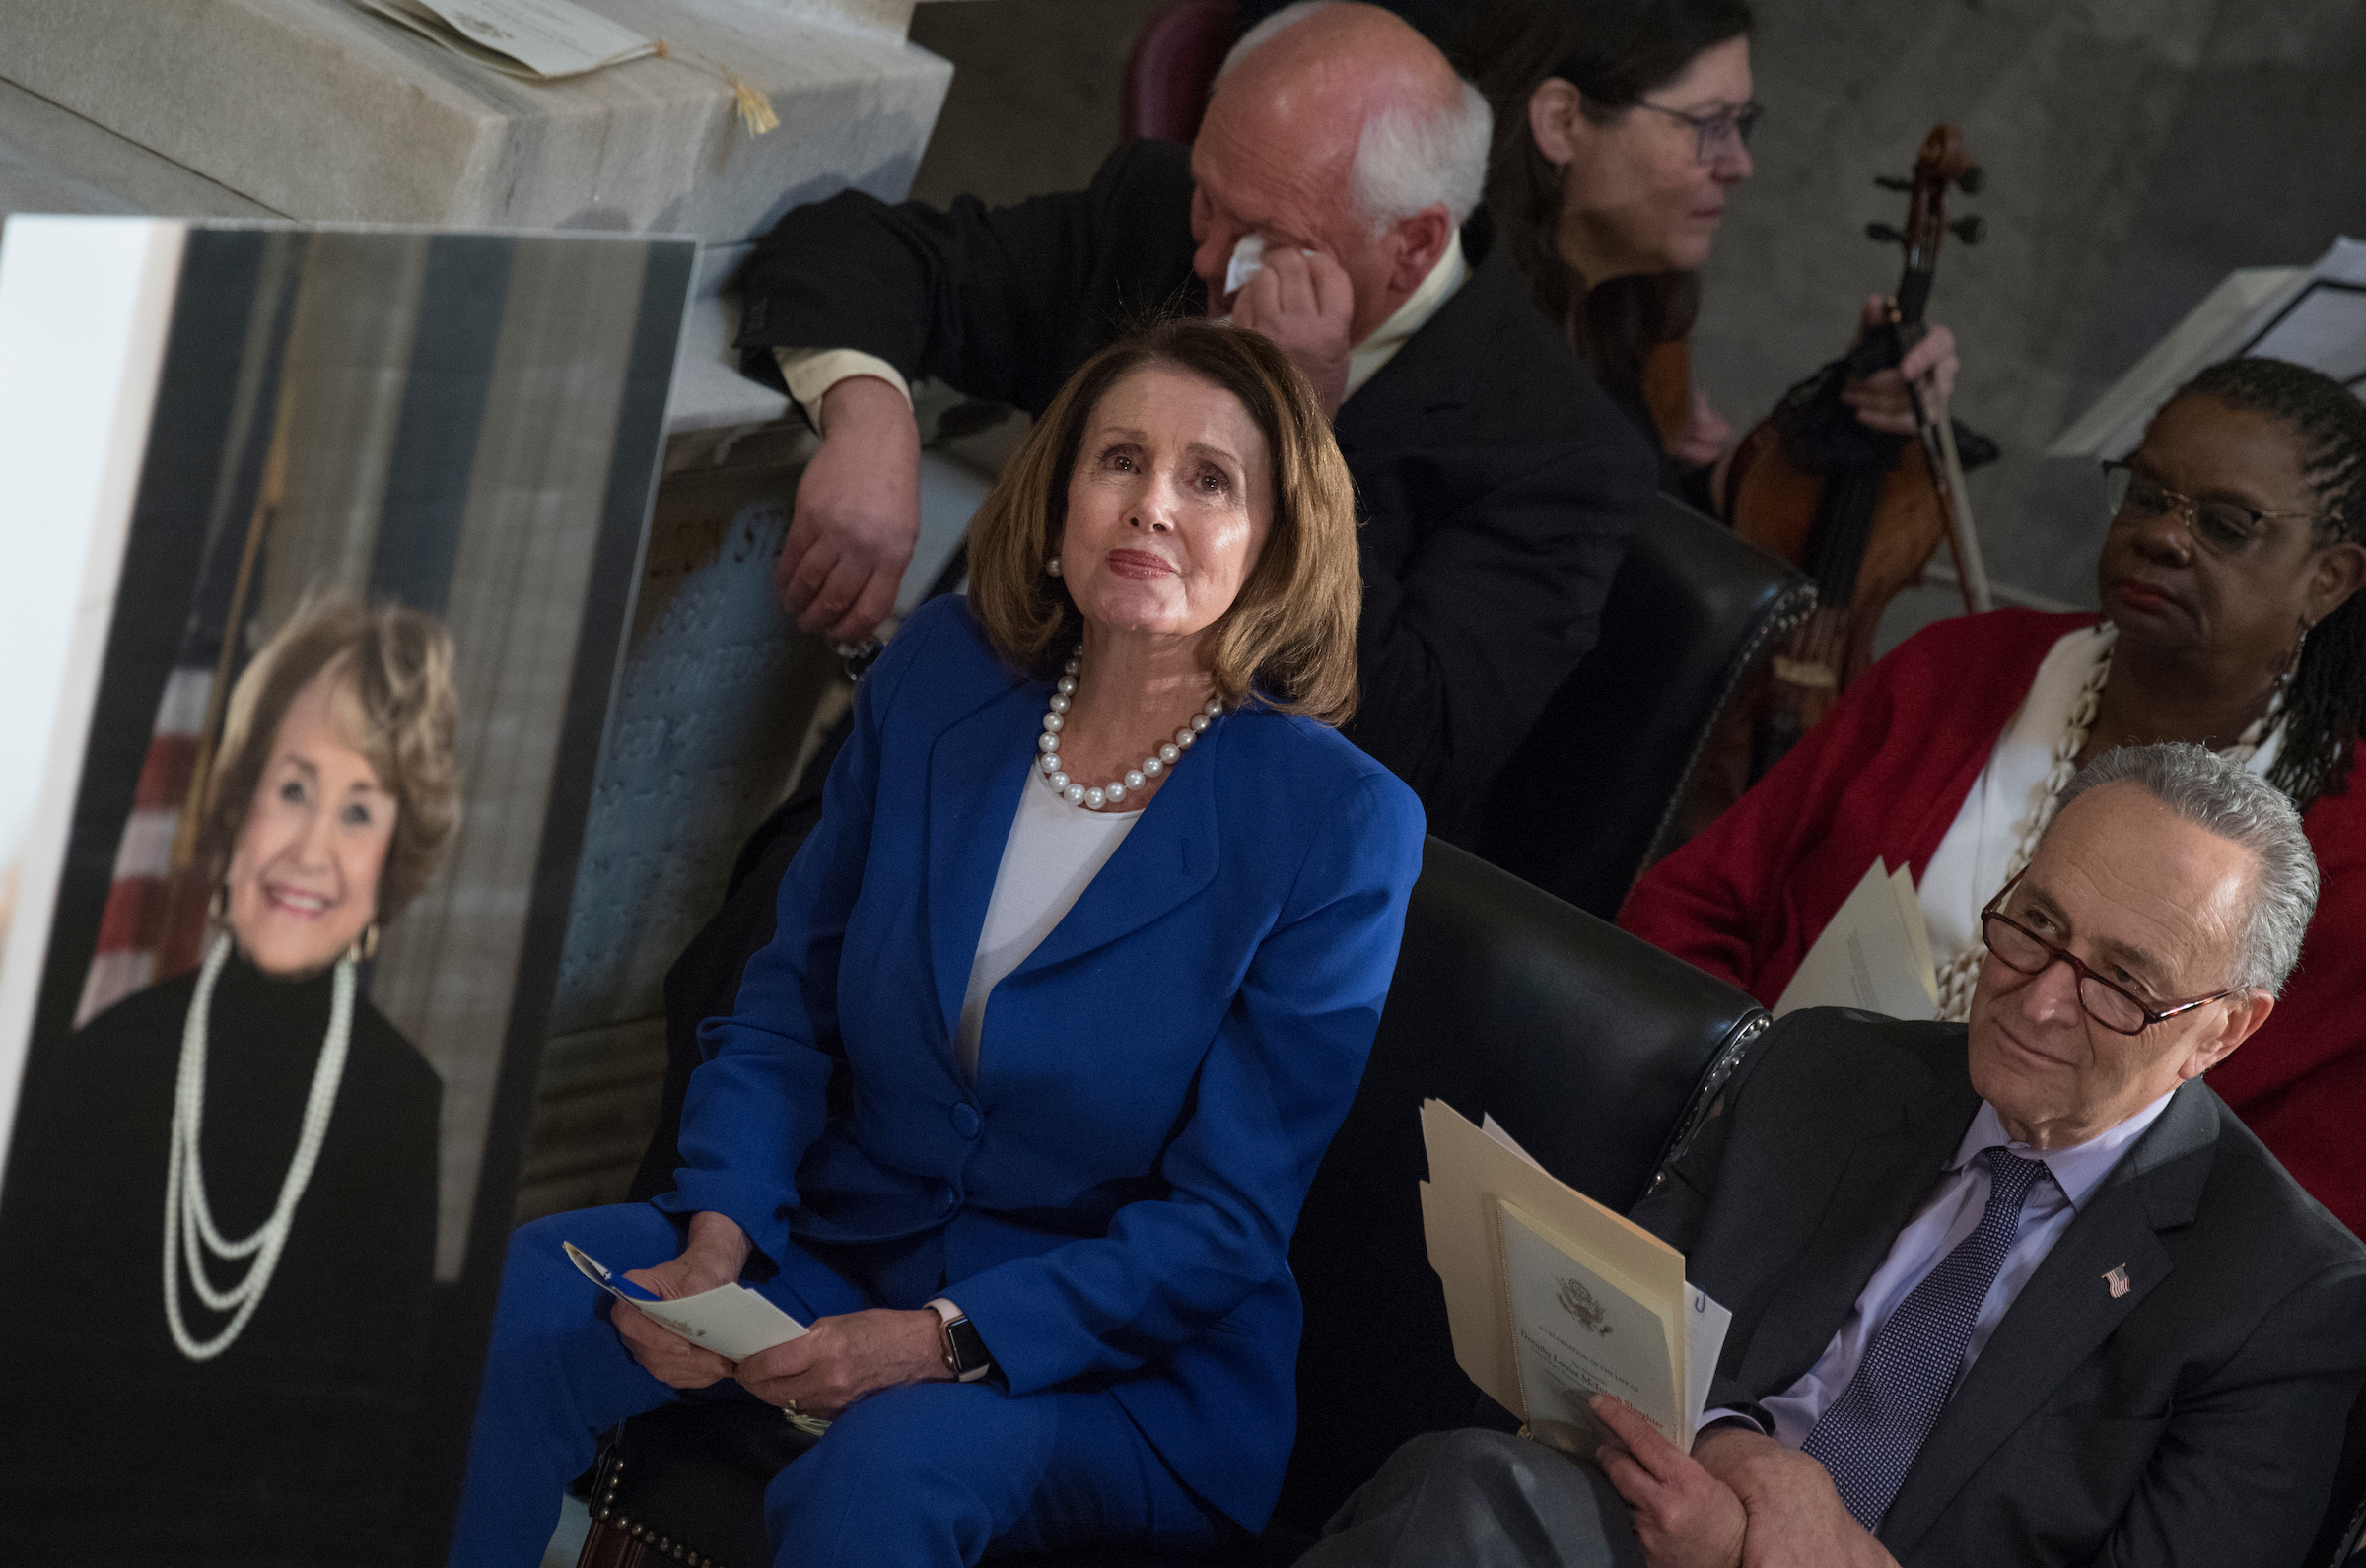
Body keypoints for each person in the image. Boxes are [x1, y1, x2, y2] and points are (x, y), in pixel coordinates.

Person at [448, 320, 1427, 1568]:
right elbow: (784, 1003)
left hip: (1106, 1360)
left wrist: (937, 1339)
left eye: (1210, 480)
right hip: (836, 1248)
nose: (1152, 508)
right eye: (1120, 459)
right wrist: (721, 1226)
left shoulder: (1340, 825)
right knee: (532, 1293)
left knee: (888, 1471)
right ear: (1061, 490)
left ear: (1281, 544)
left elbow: (1225, 1224)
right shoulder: (941, 672)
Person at [1297, 742, 2366, 1568]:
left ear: (2225, 1030)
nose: (2040, 999)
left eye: (2121, 983)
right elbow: (1611, 1347)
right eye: (2036, 923)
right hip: (1638, 1533)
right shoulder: (1827, 1070)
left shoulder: (2282, 1295)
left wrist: (1760, 1554)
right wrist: (1741, 1462)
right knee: (1471, 1487)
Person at [734, 0, 1655, 848]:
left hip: (1213, 868)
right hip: (955, 756)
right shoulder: (1154, 222)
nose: (1208, 254)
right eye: (1208, 198)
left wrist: (1303, 436)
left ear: (1410, 245)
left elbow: (1412, 746)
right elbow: (854, 252)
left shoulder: (1562, 453)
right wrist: (871, 421)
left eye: (1259, 236)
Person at [1622, 357, 2366, 1235]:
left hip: (2030, 1280)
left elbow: (2296, 1204)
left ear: (2330, 577)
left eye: (2228, 524)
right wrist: (1737, 1094)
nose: (2165, 535)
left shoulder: (2345, 856)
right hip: (1746, 1152)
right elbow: (1693, 904)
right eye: (2146, 495)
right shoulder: (1961, 668)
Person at [0, 602, 460, 1564]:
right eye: (293, 789)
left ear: (395, 861)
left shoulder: (398, 1109)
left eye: (361, 808)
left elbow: (367, 1477)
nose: (311, 849)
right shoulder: (105, 1064)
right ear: (238, 805)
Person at [1451, 0, 1958, 500]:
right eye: (1709, 125)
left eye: (1742, 124)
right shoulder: (1458, 341)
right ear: (1562, 122)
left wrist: (1855, 402)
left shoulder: (1617, 316)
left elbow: (1648, 542)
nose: (1740, 165)